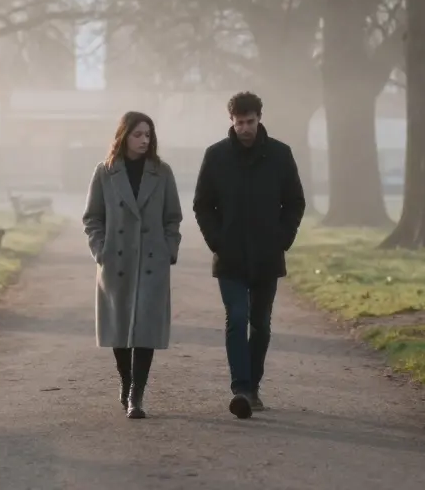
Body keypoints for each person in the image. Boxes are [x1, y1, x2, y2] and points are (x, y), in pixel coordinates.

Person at [193, 91, 306, 419]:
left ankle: (253, 386)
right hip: (229, 256)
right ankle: (241, 388)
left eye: (250, 121)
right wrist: (217, 240)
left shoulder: (280, 155)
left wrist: (282, 239)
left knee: (261, 324)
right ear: (231, 121)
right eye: (239, 122)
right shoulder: (215, 156)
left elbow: (295, 202)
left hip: (267, 255)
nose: (245, 128)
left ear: (259, 118)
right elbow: (203, 204)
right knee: (237, 317)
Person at [82, 111, 183, 419]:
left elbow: (172, 217)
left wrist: (169, 250)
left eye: (148, 135)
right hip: (117, 261)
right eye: (138, 134)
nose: (144, 140)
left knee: (146, 328)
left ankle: (137, 394)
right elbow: (92, 218)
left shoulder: (162, 172)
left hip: (152, 261)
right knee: (120, 326)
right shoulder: (105, 172)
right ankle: (126, 382)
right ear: (124, 136)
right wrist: (101, 250)